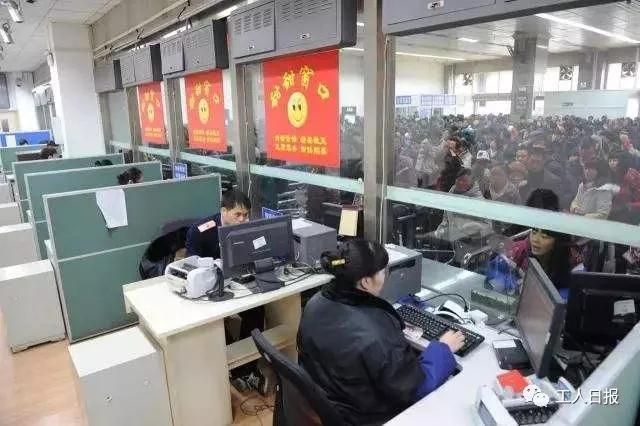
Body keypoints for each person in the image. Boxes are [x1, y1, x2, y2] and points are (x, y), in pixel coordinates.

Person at [298, 240, 464, 425]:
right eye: (383, 272)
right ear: (366, 282)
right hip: (368, 418)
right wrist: (443, 349)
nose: (385, 276)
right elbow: (415, 389)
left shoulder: (314, 303)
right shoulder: (375, 333)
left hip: (333, 404)